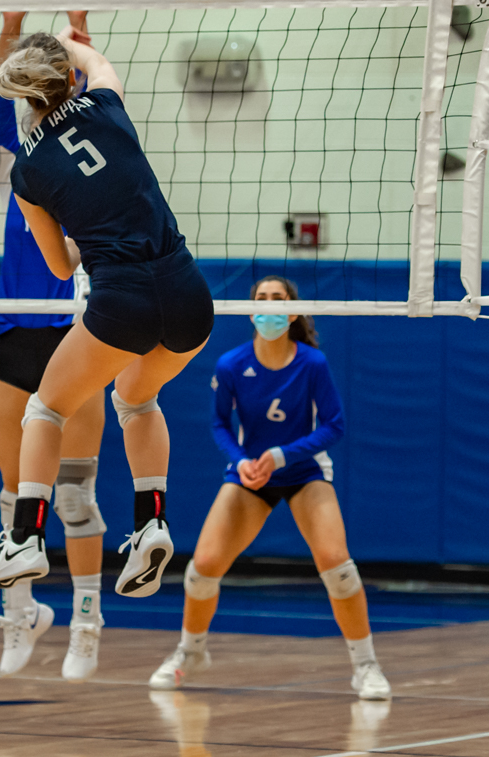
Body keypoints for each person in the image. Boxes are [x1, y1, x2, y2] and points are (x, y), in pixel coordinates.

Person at [0, 0, 215, 599]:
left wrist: (90, 234)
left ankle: (24, 539)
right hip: (189, 293)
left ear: (24, 99)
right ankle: (151, 522)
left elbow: (59, 268)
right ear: (65, 77)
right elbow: (98, 62)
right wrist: (69, 38)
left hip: (123, 298)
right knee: (137, 398)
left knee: (46, 409)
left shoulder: (28, 170)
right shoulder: (107, 104)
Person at [149, 276, 390, 700]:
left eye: (278, 299)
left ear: (293, 312)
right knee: (203, 567)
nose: (269, 305)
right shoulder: (230, 365)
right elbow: (220, 424)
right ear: (251, 309)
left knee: (337, 564)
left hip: (303, 472)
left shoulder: (312, 363)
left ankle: (365, 665)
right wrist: (241, 461)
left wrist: (282, 456)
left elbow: (335, 425)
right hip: (249, 475)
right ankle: (190, 652)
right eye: (261, 298)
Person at [0, 0, 111, 680]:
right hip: (15, 330)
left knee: (72, 494)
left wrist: (81, 26)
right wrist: (10, 23)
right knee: (14, 495)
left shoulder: (89, 157)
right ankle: (22, 614)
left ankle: (87, 621)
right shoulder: (13, 160)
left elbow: (88, 97)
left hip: (78, 330)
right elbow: (4, 91)